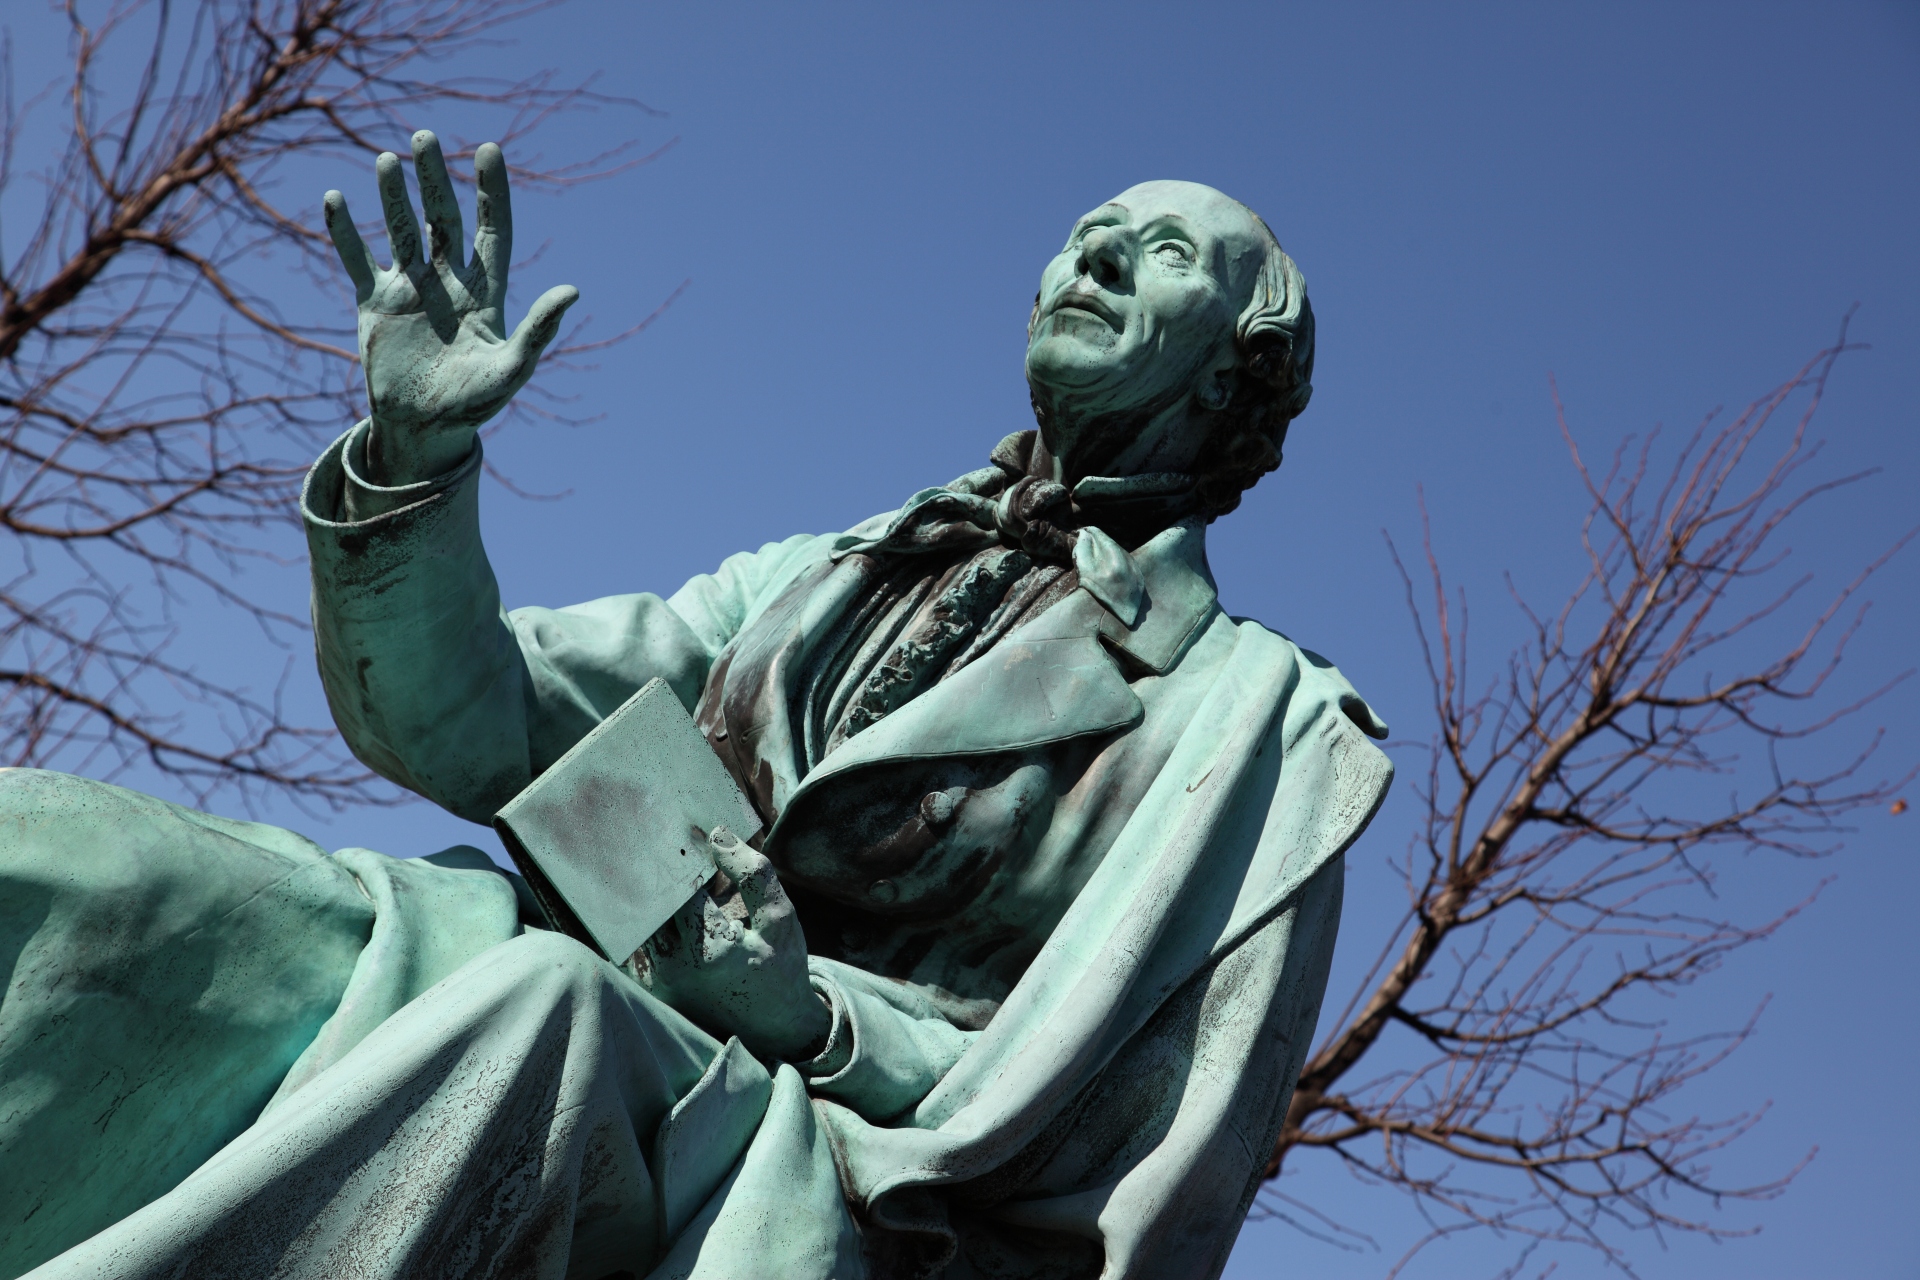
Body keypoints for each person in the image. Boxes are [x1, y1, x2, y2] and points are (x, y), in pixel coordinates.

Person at [0, 132, 1391, 1280]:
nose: (1094, 253)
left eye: (1161, 254)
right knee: (67, 854)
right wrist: (418, 458)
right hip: (532, 959)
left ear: (1235, 370)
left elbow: (1111, 1160)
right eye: (1089, 230)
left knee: (541, 1018)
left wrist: (804, 1016)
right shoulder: (831, 568)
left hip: (822, 1165)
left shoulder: (1249, 719)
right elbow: (477, 717)